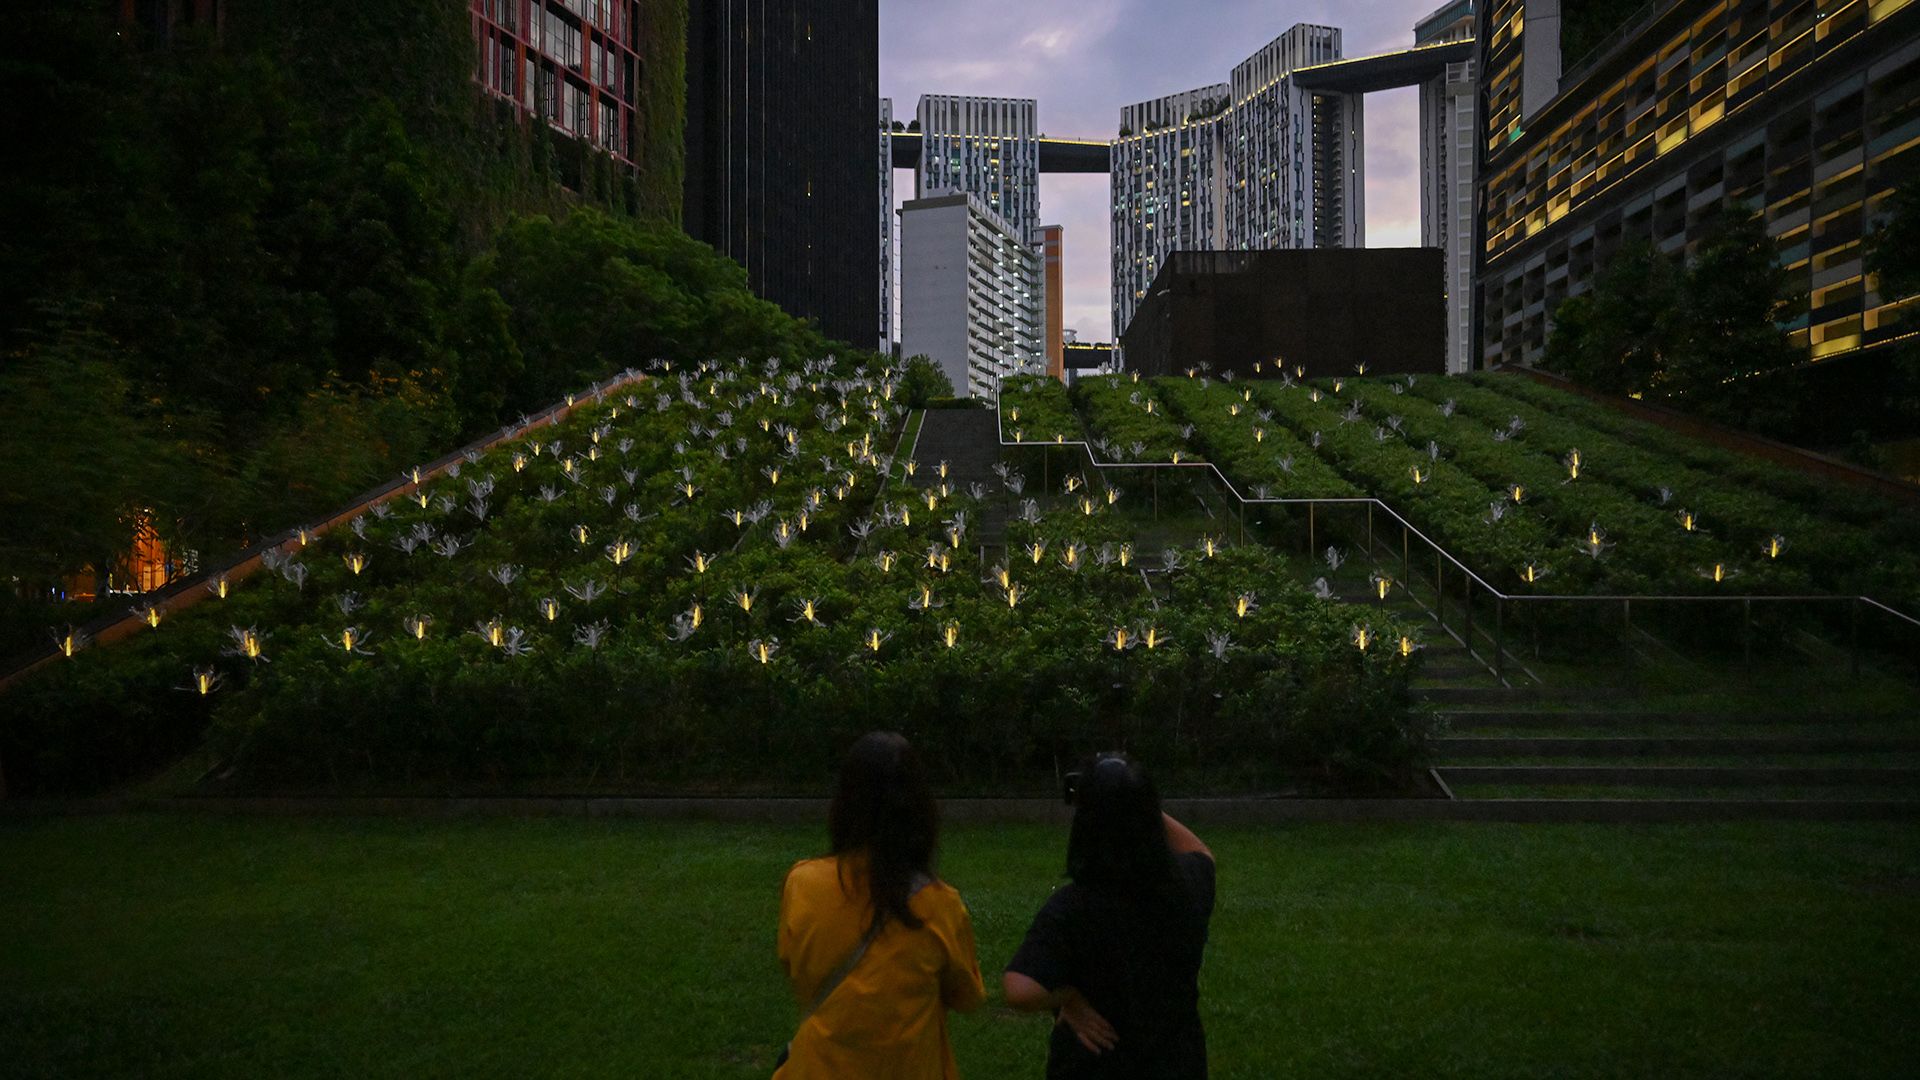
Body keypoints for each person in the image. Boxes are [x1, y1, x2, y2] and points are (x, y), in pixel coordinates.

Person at [775, 731, 986, 1078]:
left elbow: (794, 965)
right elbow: (967, 997)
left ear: (844, 803)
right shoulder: (939, 905)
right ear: (921, 811)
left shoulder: (802, 884)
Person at [1002, 752, 1216, 1079]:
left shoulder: (1072, 909)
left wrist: (1069, 998)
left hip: (1093, 1064)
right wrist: (1132, 800)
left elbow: (1019, 990)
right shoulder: (1189, 886)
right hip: (1175, 1063)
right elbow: (1200, 851)